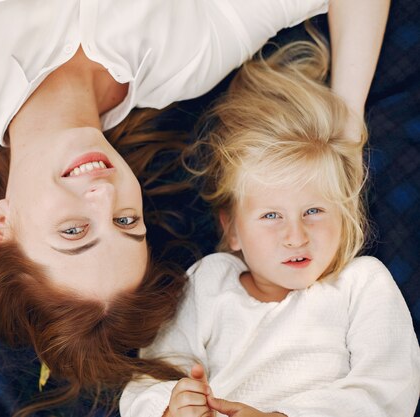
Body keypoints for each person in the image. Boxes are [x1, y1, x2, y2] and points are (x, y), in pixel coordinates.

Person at [0, 0, 390, 415]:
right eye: (125, 222)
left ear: (1, 223)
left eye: (73, 231)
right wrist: (345, 130)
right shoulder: (184, 62)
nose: (103, 196)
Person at [120, 33, 420, 417]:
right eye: (271, 216)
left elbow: (390, 391)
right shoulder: (209, 282)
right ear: (232, 231)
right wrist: (168, 407)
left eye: (313, 211)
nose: (295, 236)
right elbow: (149, 378)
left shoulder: (360, 284)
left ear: (345, 216)